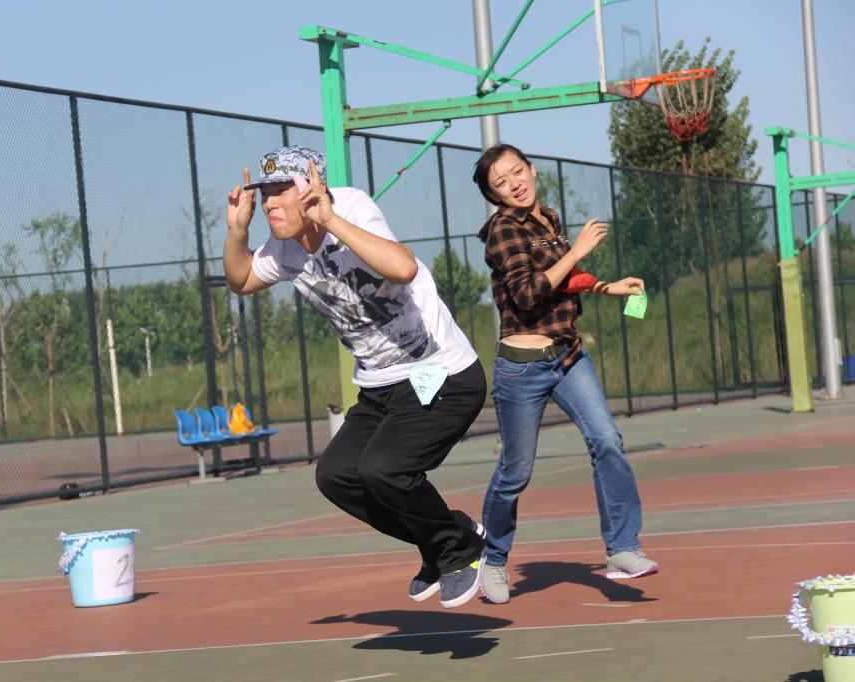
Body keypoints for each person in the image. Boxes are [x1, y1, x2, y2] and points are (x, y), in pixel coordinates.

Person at [224, 146, 488, 608]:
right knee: (336, 475)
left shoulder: (350, 207)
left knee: (383, 470)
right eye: (264, 194)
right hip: (380, 384)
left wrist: (330, 221)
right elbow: (241, 280)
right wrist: (237, 232)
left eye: (281, 190)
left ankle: (457, 549)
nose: (269, 204)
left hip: (439, 372)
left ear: (312, 188)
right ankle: (445, 537)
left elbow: (403, 267)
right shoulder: (284, 249)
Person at [473, 143, 659, 605]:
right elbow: (529, 293)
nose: (514, 184)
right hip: (522, 368)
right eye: (501, 182)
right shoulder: (502, 231)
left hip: (569, 356)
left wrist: (606, 286)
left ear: (532, 170)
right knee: (515, 472)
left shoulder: (549, 219)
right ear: (494, 195)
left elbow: (566, 277)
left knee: (607, 440)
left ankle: (622, 548)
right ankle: (492, 559)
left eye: (517, 172)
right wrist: (576, 250)